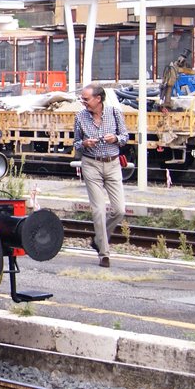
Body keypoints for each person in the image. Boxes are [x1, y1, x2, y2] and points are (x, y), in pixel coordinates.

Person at [74, 83, 128, 267]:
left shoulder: (114, 113)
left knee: (119, 210)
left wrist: (116, 139)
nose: (83, 102)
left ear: (98, 99)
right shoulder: (80, 116)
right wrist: (85, 144)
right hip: (91, 164)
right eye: (82, 98)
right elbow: (76, 143)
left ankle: (98, 239)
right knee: (98, 210)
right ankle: (104, 254)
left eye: (86, 99)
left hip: (112, 164)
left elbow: (125, 137)